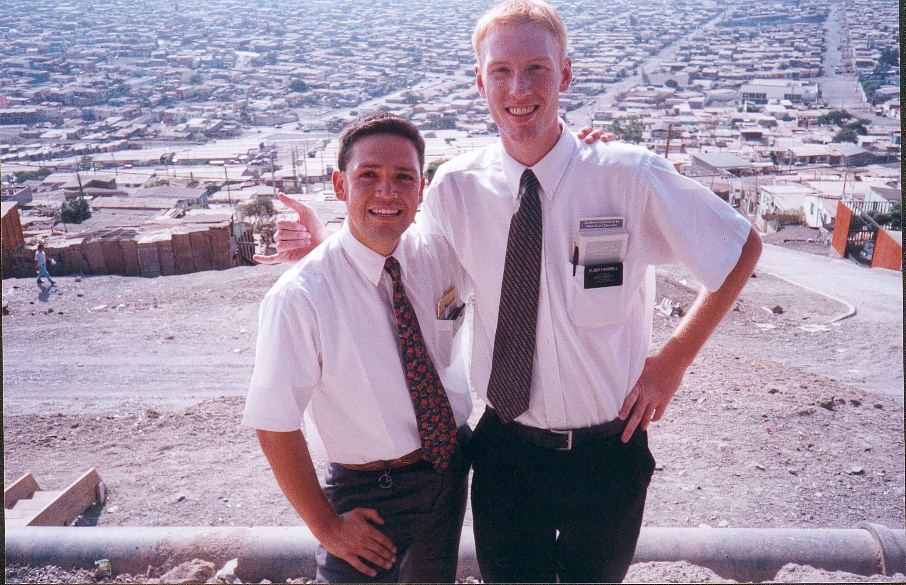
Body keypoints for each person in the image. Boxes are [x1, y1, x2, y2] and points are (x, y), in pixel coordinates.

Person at [271, 1, 761, 580]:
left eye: (537, 69)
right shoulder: (456, 188)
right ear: (480, 82)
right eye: (501, 71)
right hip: (507, 454)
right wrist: (329, 242)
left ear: (566, 75)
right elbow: (406, 260)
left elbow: (740, 248)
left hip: (609, 452)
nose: (518, 87)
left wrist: (674, 359)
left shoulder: (627, 175)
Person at [242, 113, 473, 583]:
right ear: (340, 185)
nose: (387, 192)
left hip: (449, 469)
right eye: (369, 175)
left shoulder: (439, 255)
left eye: (403, 177)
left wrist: (591, 155)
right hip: (372, 493)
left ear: (421, 188)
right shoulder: (301, 296)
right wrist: (327, 527)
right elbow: (274, 424)